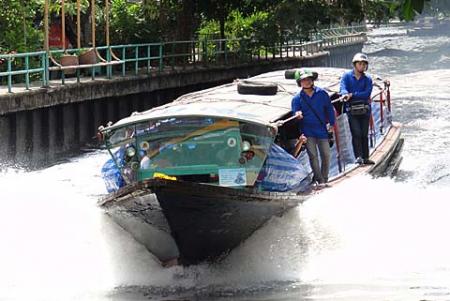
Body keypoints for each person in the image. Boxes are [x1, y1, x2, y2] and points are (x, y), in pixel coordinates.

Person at [291, 69, 335, 187]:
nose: (306, 82)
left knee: (326, 154)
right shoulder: (297, 98)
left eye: (308, 79)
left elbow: (329, 109)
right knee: (313, 156)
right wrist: (297, 114)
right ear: (299, 82)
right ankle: (320, 180)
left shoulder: (322, 94)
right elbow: (294, 112)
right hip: (307, 131)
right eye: (303, 80)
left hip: (321, 130)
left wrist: (331, 124)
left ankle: (325, 177)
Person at [340, 52, 375, 165]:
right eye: (360, 64)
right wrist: (345, 94)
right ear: (355, 65)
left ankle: (366, 157)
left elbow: (366, 93)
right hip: (352, 110)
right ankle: (358, 157)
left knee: (364, 134)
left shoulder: (368, 79)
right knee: (356, 133)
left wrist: (352, 95)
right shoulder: (346, 76)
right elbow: (343, 87)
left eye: (364, 64)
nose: (362, 66)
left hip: (364, 109)